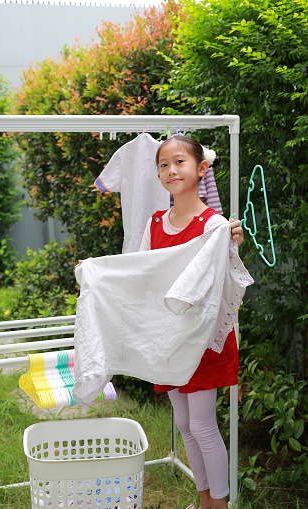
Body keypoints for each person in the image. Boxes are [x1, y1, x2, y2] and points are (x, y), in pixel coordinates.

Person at [138, 135, 243, 509]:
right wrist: (100, 272)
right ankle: (204, 502)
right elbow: (141, 272)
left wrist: (230, 243)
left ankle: (219, 505)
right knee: (184, 424)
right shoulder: (155, 223)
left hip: (201, 339)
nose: (170, 170)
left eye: (178, 162)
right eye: (163, 164)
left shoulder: (214, 225)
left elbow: (224, 282)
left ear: (201, 169)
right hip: (170, 338)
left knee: (201, 425)